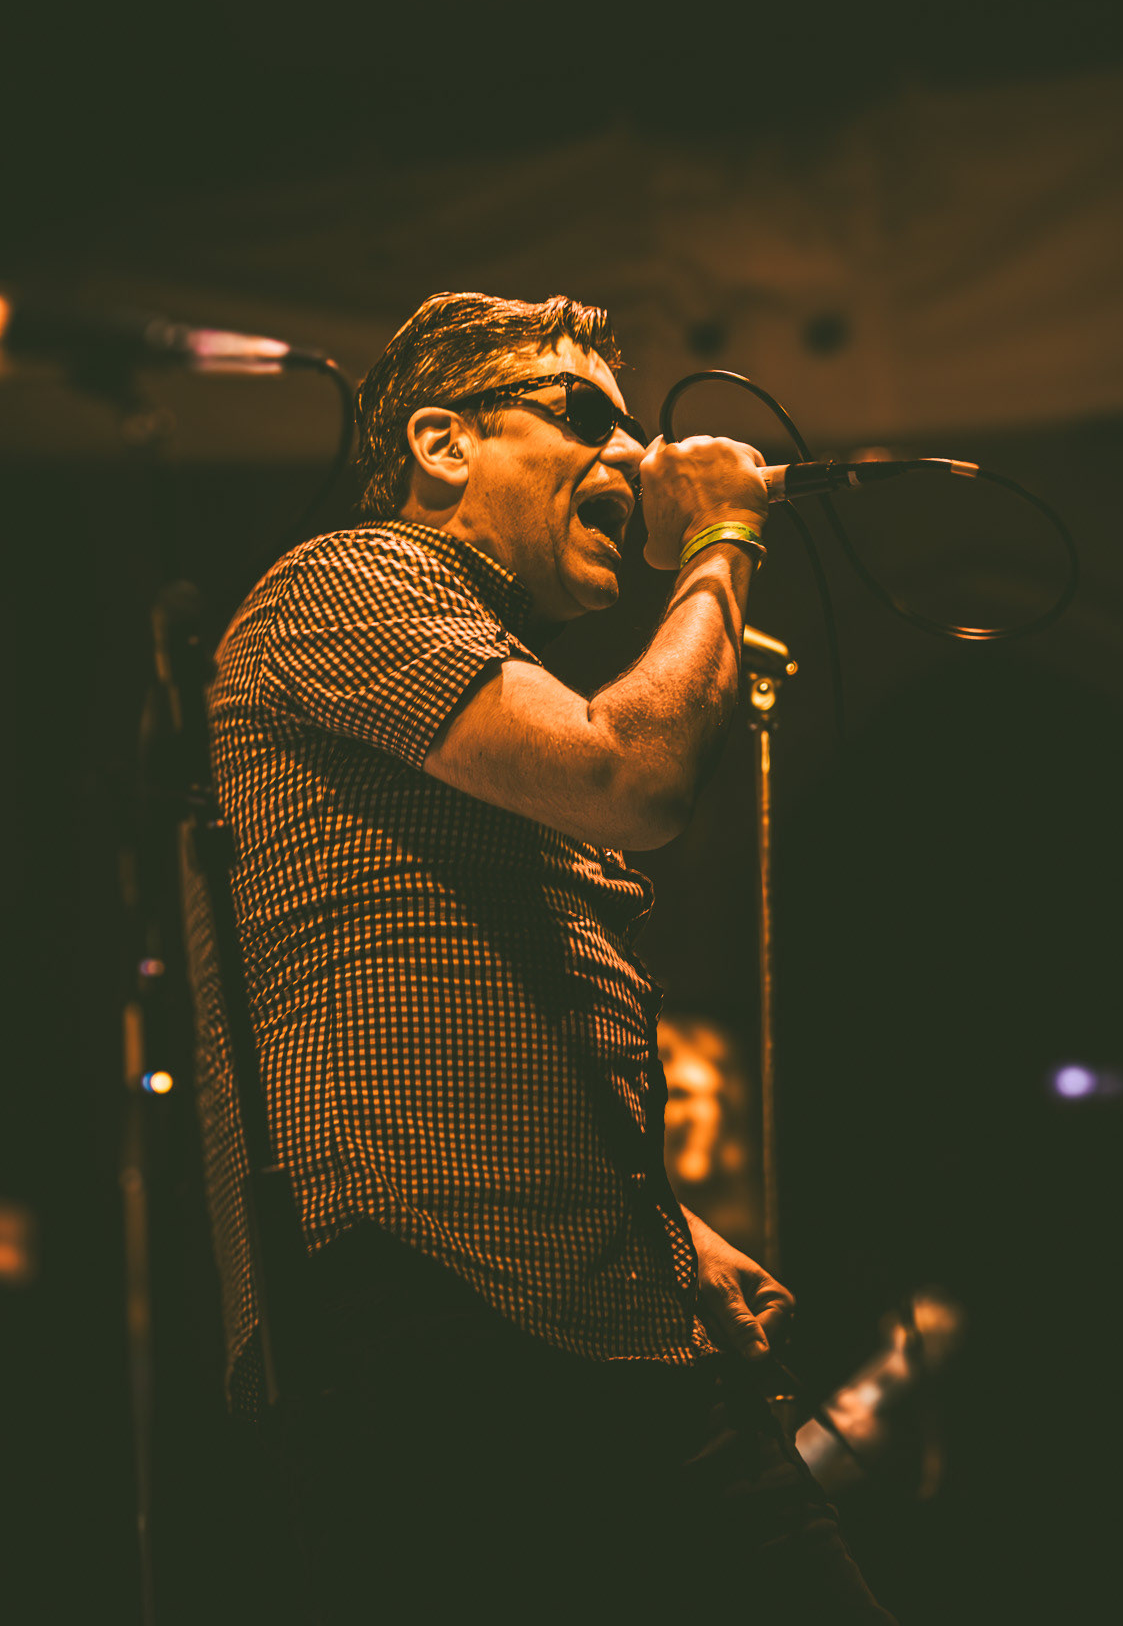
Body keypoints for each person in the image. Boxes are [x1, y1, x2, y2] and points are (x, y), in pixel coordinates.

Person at [195, 291, 896, 1623]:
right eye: (582, 414)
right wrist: (722, 543)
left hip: (575, 1304)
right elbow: (629, 778)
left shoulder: (474, 677)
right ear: (442, 443)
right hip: (425, 1300)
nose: (631, 455)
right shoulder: (348, 580)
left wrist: (670, 1236)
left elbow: (493, 1002)